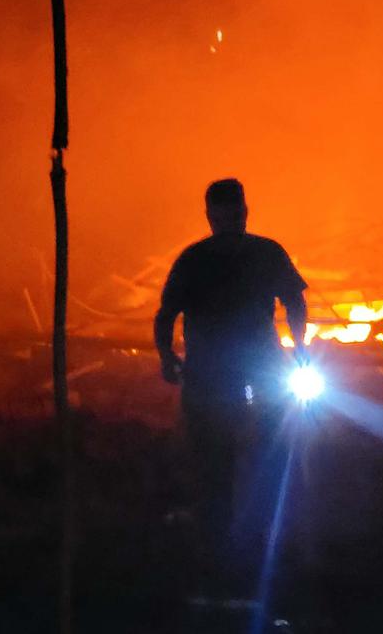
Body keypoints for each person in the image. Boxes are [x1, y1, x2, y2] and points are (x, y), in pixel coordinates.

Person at [153, 178, 308, 589]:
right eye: (226, 215)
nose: (230, 221)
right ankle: (236, 547)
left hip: (235, 372)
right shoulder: (253, 254)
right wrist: (167, 355)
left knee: (246, 458)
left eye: (233, 214)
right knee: (228, 461)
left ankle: (248, 543)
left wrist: (301, 346)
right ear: (216, 216)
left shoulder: (205, 258)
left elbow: (295, 301)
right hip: (229, 374)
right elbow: (166, 315)